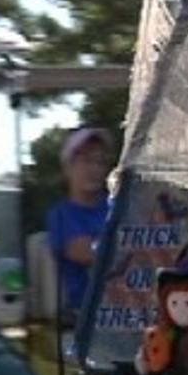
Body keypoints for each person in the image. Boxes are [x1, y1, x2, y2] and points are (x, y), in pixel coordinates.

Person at [46, 127, 115, 321]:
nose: (94, 169)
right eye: (86, 160)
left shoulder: (118, 208)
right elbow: (87, 254)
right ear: (68, 168)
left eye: (100, 162)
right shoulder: (60, 215)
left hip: (127, 313)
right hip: (83, 320)